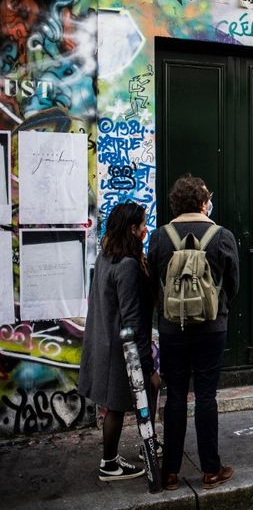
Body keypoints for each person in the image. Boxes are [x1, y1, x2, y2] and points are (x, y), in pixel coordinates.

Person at [147, 175, 239, 490]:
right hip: (212, 327)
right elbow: (233, 283)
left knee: (174, 395)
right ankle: (211, 470)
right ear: (203, 202)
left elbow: (152, 283)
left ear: (175, 203)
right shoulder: (222, 235)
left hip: (172, 328)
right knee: (205, 395)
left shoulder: (160, 237)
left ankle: (169, 472)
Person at [79, 201, 156, 482]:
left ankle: (143, 445)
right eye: (143, 225)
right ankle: (110, 463)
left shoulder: (106, 256)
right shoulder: (127, 266)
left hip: (104, 343)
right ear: (132, 229)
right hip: (120, 352)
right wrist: (145, 362)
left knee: (121, 403)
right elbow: (132, 320)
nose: (147, 229)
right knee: (117, 406)